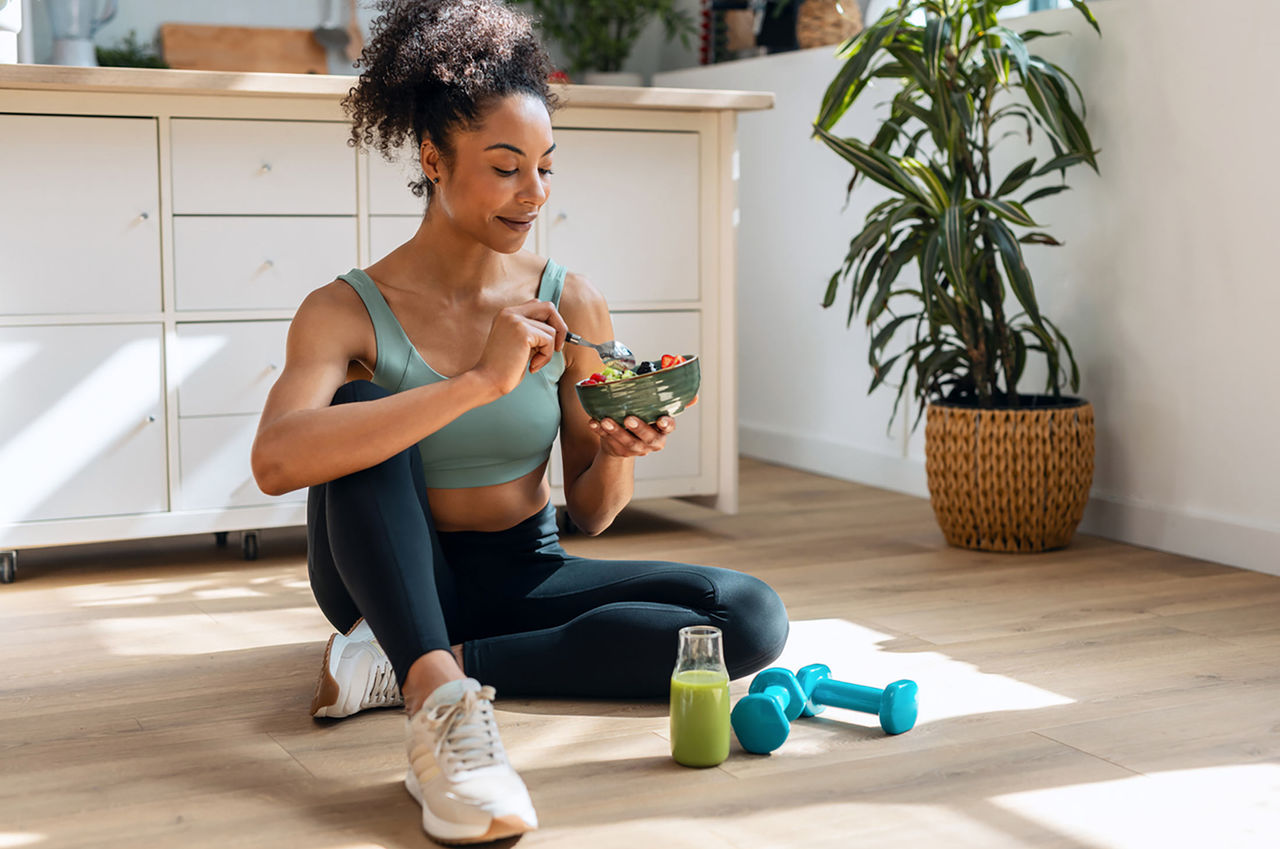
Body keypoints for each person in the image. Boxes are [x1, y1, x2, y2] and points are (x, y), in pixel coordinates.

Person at [250, 0, 789, 843]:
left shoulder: (572, 301)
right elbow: (276, 461)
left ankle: (424, 664)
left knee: (748, 616)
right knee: (360, 410)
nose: (533, 193)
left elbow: (594, 512)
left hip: (521, 570)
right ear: (433, 159)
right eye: (506, 168)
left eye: (545, 167)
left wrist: (620, 446)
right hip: (383, 573)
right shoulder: (345, 309)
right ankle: (437, 701)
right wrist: (478, 382)